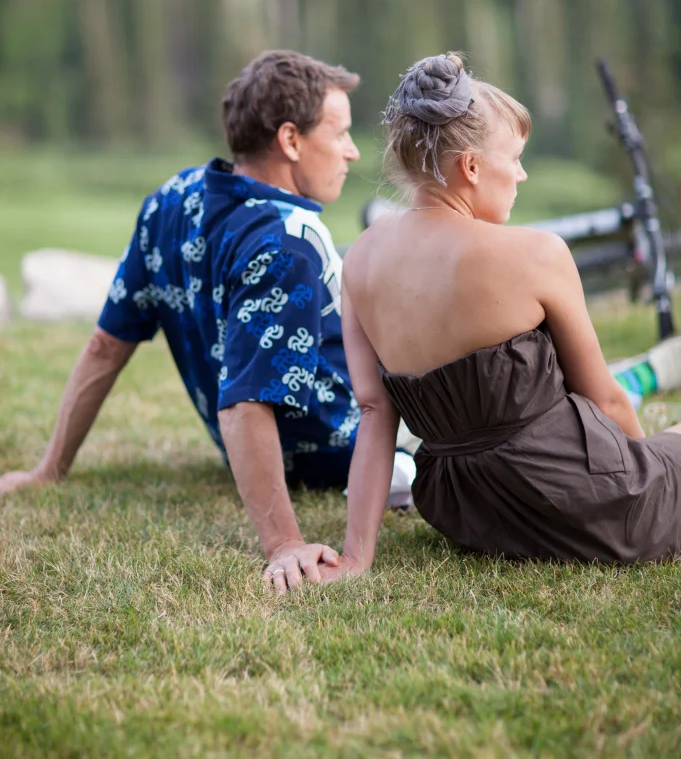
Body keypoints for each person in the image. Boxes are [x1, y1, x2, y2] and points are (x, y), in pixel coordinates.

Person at [0, 50, 399, 592]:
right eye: (341, 132)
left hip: (256, 452)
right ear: (290, 139)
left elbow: (105, 345)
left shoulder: (170, 201)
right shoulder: (289, 245)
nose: (351, 151)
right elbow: (244, 405)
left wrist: (49, 468)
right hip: (338, 451)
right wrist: (284, 544)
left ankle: (398, 234)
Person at [320, 52, 681, 582]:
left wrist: (356, 557)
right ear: (471, 167)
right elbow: (604, 399)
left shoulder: (360, 261)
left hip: (468, 513)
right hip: (580, 498)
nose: (521, 174)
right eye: (515, 158)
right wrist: (641, 480)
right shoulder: (535, 253)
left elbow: (375, 414)